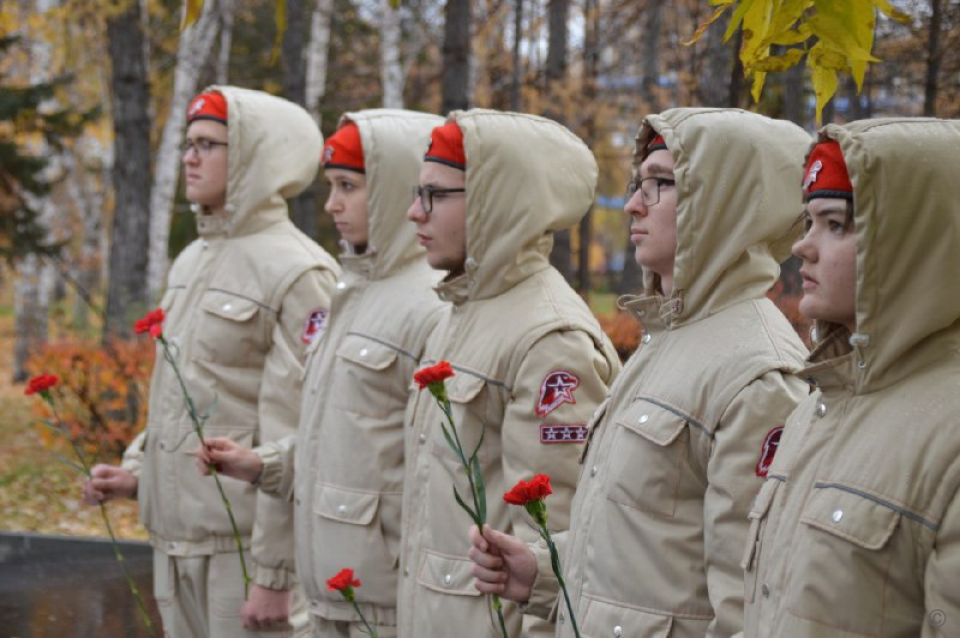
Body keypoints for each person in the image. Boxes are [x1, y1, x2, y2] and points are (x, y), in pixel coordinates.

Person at [468, 108, 812, 637]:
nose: (632, 205)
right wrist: (543, 571)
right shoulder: (669, 337)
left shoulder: (758, 374)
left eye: (660, 185)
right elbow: (646, 543)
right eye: (638, 184)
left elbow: (747, 605)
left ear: (723, 204)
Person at [81, 87, 340, 637]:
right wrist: (135, 474)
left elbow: (298, 433)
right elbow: (185, 393)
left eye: (208, 144)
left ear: (254, 156)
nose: (190, 158)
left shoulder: (298, 272)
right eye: (187, 144)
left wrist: (273, 573)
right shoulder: (194, 257)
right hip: (175, 546)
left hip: (242, 555)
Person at [195, 109, 446, 637]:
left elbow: (437, 471)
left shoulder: (432, 307)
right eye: (332, 185)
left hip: (384, 601)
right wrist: (265, 464)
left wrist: (273, 572)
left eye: (349, 186)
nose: (332, 204)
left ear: (400, 188)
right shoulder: (353, 292)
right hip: (335, 588)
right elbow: (343, 439)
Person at [398, 110, 622, 637]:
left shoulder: (550, 340)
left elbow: (555, 560)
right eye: (417, 192)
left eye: (435, 195)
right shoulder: (462, 312)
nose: (414, 212)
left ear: (493, 200)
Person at [740, 119, 960, 637]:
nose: (803, 246)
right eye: (809, 222)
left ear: (911, 244)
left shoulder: (947, 432)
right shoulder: (819, 407)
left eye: (835, 224)